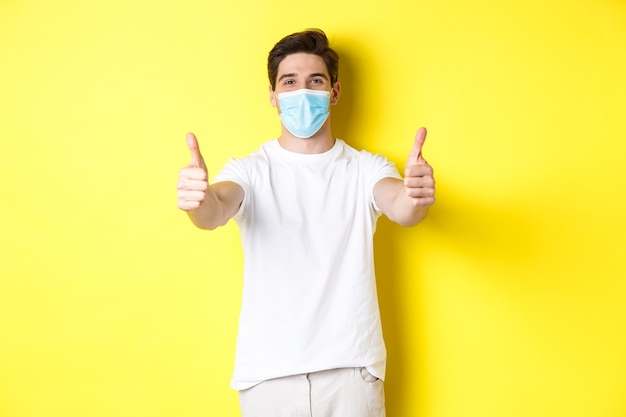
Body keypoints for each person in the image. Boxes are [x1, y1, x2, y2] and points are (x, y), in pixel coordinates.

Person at [176, 28, 435, 417]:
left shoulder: (365, 168)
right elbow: (214, 209)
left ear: (334, 93)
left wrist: (415, 195)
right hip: (268, 377)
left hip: (351, 373)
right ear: (273, 96)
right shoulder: (250, 171)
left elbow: (401, 207)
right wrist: (199, 198)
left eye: (315, 81)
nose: (302, 92)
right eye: (289, 82)